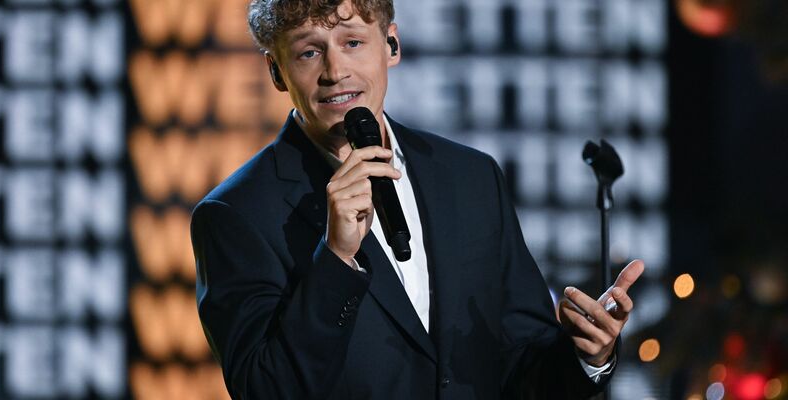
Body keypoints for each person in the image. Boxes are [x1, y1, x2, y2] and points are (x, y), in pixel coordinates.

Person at [190, 0, 645, 398]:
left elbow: (520, 370)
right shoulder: (236, 215)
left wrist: (589, 355)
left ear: (391, 44)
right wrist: (336, 258)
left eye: (352, 42)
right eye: (310, 51)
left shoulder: (470, 177)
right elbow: (266, 389)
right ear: (276, 71)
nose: (335, 72)